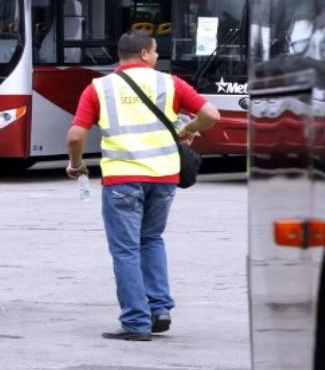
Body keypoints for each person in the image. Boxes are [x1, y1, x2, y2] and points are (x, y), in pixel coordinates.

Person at [65, 32, 221, 341]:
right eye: (155, 51)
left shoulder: (99, 88)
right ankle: (159, 310)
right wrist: (187, 130)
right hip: (163, 179)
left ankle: (136, 322)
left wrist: (76, 163)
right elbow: (211, 115)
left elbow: (74, 136)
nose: (156, 56)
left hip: (122, 180)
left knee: (125, 250)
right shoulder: (170, 83)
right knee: (151, 240)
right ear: (144, 53)